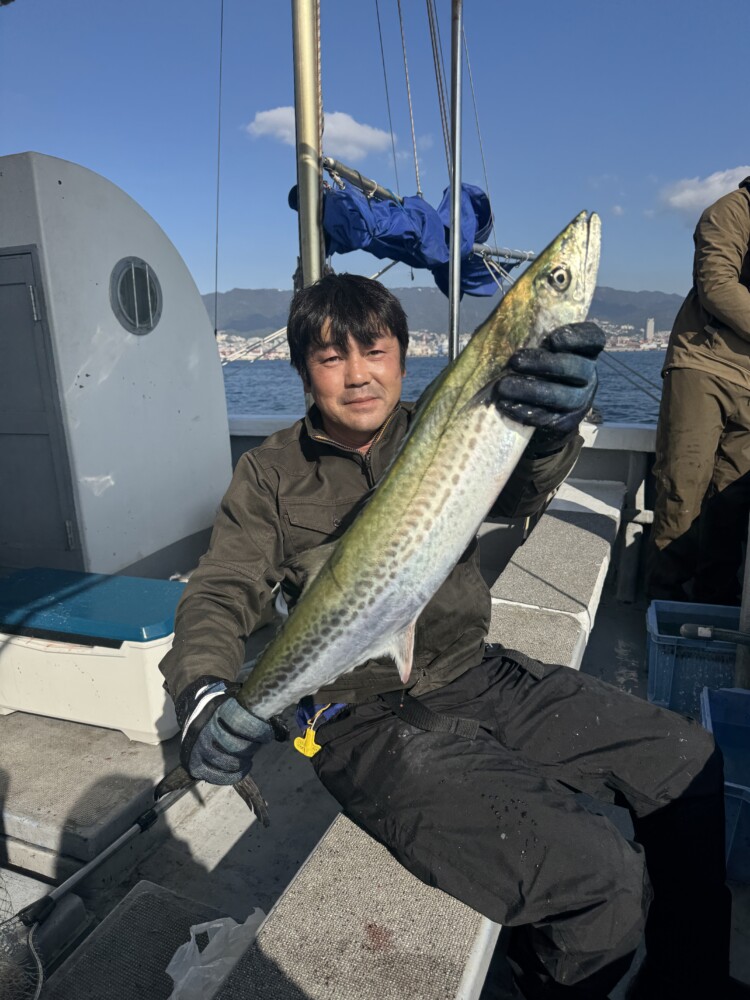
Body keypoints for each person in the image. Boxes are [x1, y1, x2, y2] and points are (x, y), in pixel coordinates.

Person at [161, 274, 741, 999]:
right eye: (330, 357)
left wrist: (556, 427)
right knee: (599, 878)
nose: (358, 373)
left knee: (686, 760)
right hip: (353, 719)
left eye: (374, 350)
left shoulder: (452, 419)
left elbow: (523, 491)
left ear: (405, 356)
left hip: (474, 672)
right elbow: (221, 589)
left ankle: (691, 984)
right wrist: (203, 690)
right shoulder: (271, 473)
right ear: (303, 371)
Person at [648, 175, 750, 605]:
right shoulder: (730, 211)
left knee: (733, 503)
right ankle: (665, 605)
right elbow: (717, 287)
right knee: (681, 490)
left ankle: (716, 614)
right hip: (702, 363)